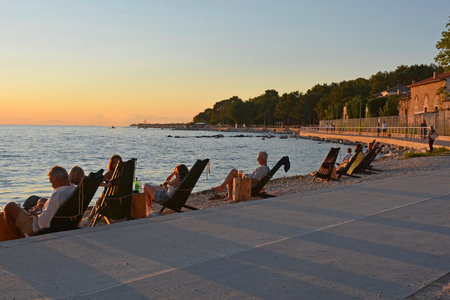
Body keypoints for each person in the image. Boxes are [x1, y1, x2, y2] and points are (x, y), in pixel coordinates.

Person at [1, 166, 76, 240]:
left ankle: (16, 239)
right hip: (58, 221)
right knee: (40, 200)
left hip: (35, 228)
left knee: (9, 206)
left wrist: (36, 213)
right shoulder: (73, 190)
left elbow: (43, 223)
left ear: (58, 180)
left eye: (52, 182)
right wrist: (42, 208)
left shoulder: (57, 195)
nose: (52, 186)